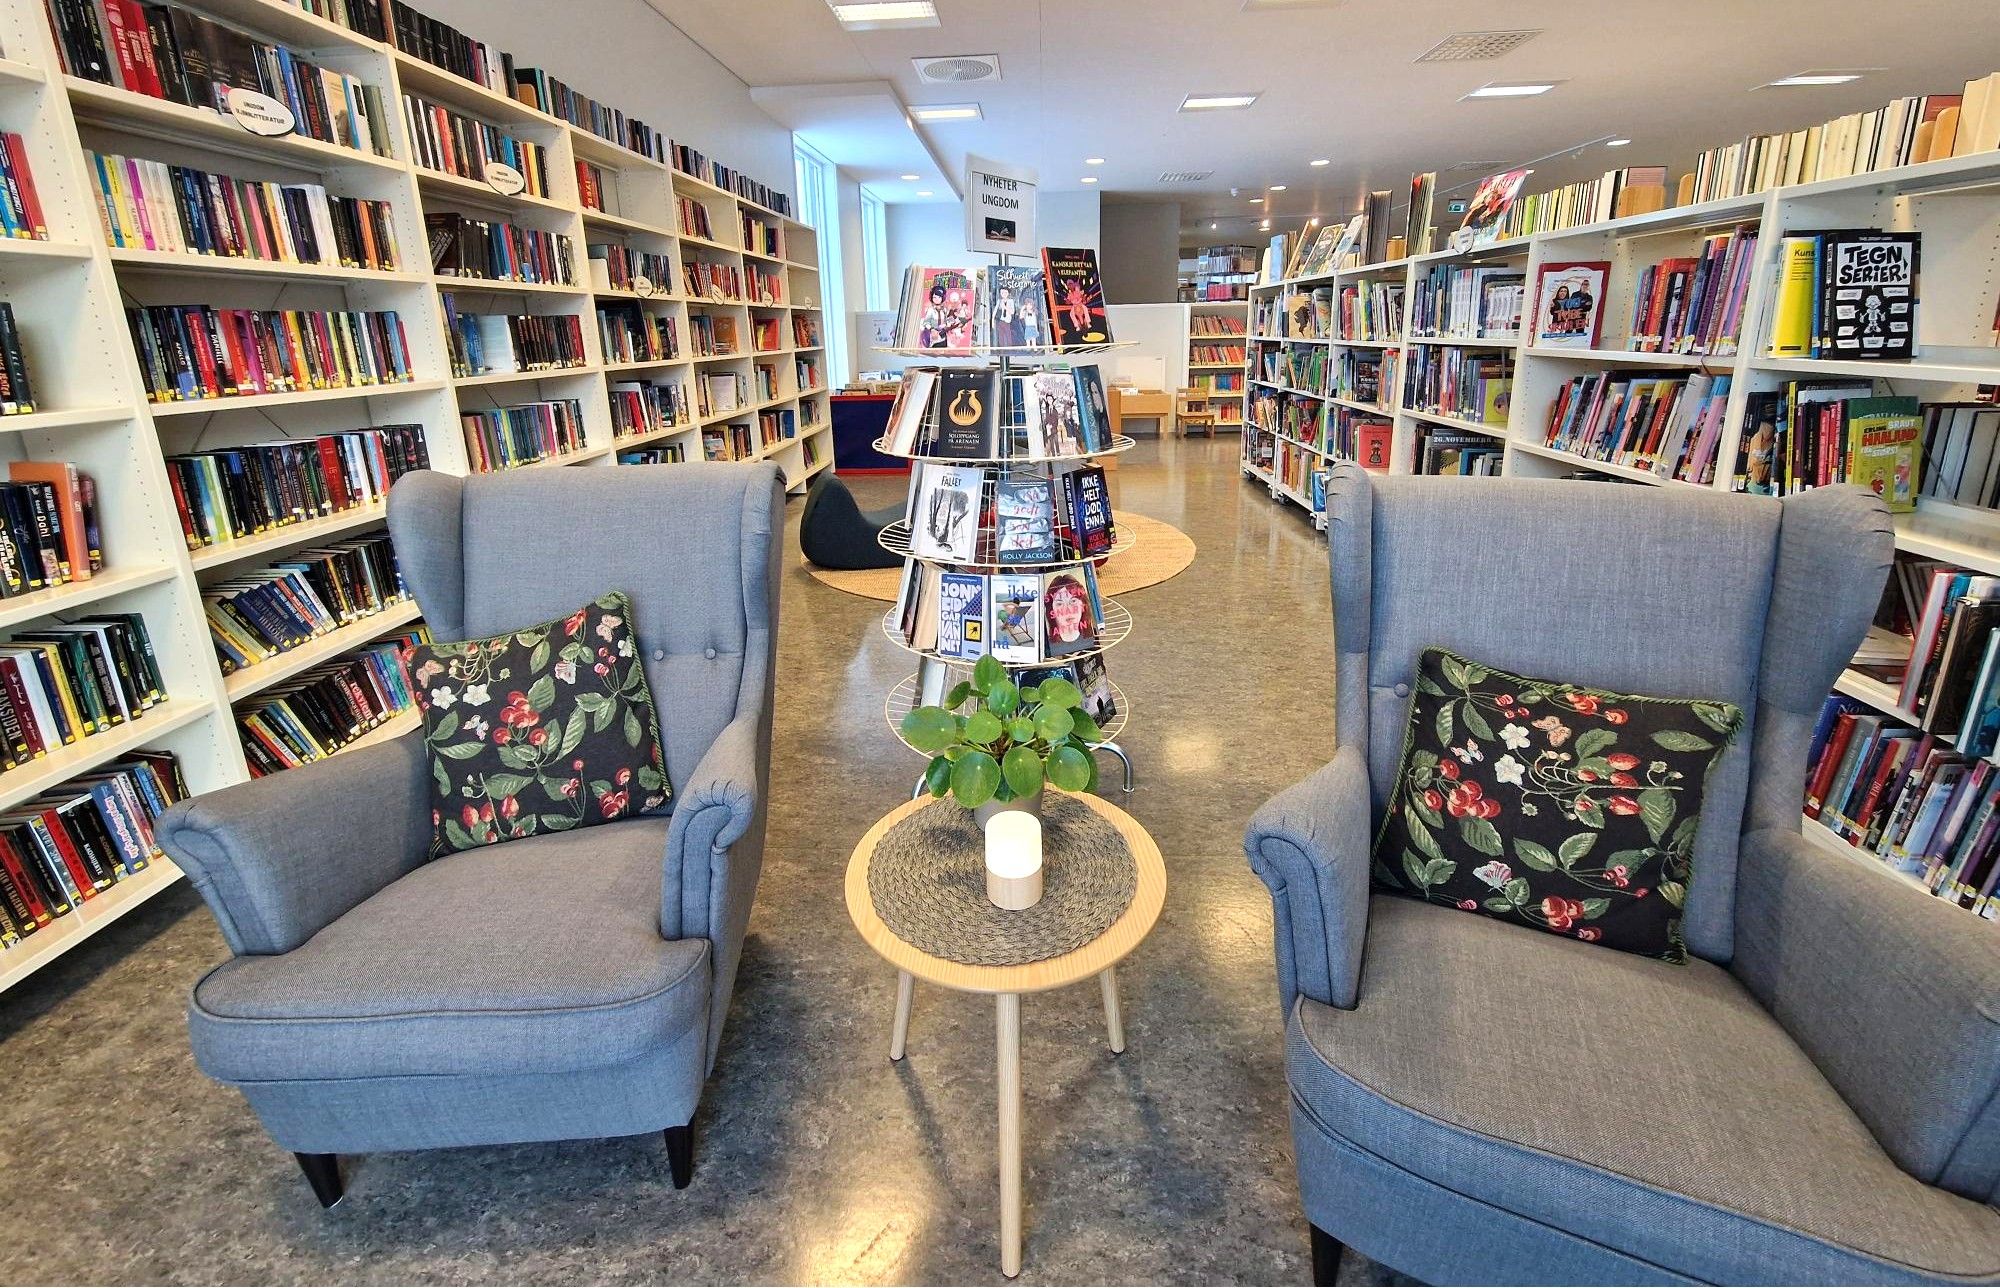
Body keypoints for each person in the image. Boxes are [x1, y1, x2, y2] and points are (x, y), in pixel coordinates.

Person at [1045, 573, 1095, 652]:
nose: (1067, 610)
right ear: (1051, 609)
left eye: (1073, 601)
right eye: (1059, 604)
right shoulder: (1046, 646)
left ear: (1083, 604)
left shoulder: (1093, 637)